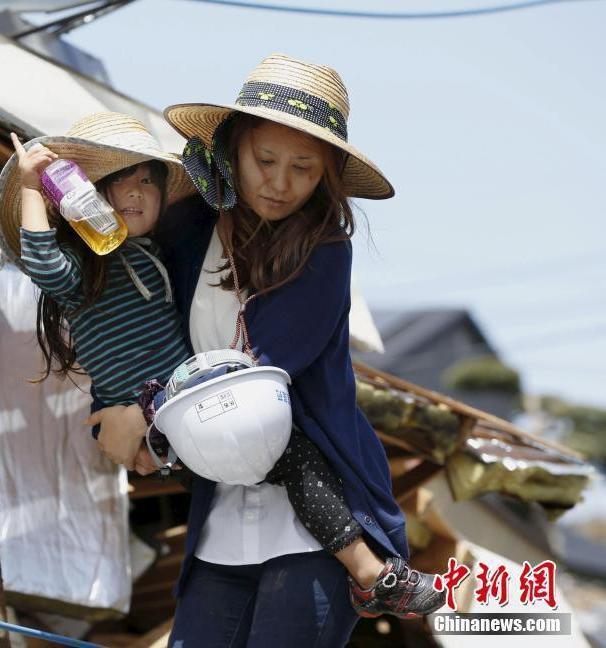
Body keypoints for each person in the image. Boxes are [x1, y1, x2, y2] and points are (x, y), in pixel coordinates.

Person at [88, 54, 445, 645]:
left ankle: (370, 572)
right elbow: (136, 321)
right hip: (219, 523)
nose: (279, 183)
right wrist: (111, 410)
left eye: (303, 168)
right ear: (232, 148)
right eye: (265, 160)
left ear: (327, 174)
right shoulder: (184, 230)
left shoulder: (326, 252)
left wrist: (145, 418)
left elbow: (249, 381)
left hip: (319, 528)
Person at [0, 111, 195, 413]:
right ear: (83, 194)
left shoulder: (161, 252)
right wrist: (31, 188)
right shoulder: (85, 265)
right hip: (131, 417)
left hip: (185, 400)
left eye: (147, 180)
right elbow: (44, 265)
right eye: (120, 179)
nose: (135, 190)